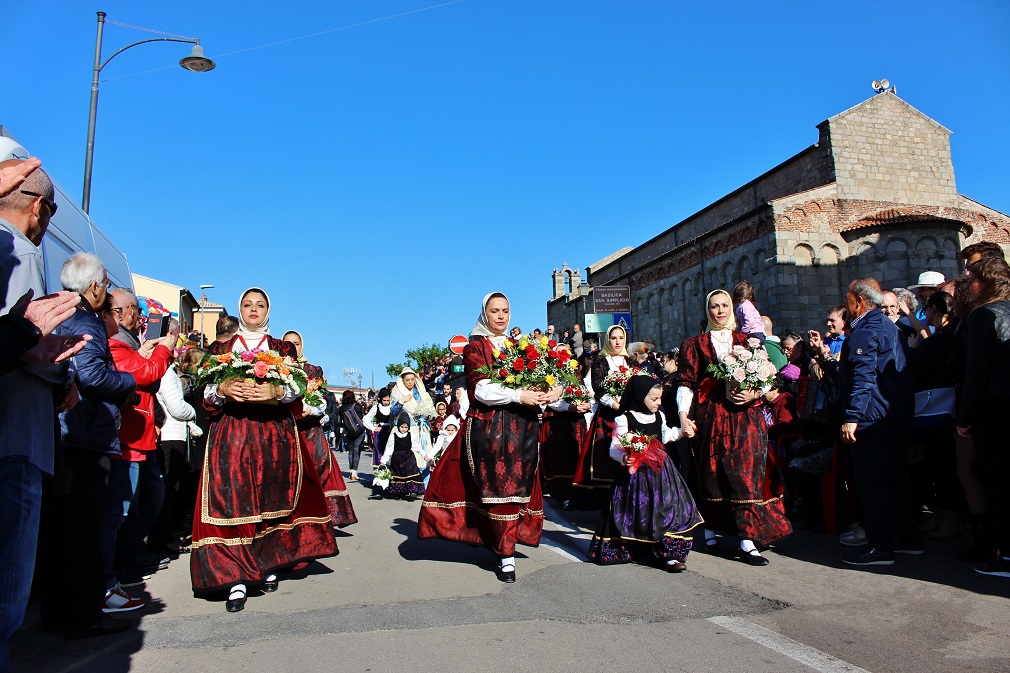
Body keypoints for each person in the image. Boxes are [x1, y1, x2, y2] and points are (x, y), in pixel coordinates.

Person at [191, 289, 337, 612]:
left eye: (260, 305)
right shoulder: (222, 349)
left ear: (268, 310)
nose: (253, 310)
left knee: (268, 501)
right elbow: (206, 392)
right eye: (247, 304)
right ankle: (235, 577)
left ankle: (265, 563)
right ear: (239, 309)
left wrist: (275, 389)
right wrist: (224, 387)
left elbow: (297, 389)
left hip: (273, 436)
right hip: (232, 434)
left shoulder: (280, 349)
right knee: (231, 500)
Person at [0, 165, 86, 658]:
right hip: (16, 440)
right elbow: (32, 343)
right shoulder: (17, 250)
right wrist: (62, 377)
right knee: (7, 597)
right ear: (38, 207)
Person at [419, 292, 559, 582]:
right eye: (495, 311)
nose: (501, 316)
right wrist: (519, 394)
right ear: (485, 314)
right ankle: (505, 554)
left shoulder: (521, 346)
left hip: (524, 427)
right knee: (498, 490)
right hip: (492, 428)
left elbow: (543, 380)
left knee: (518, 489)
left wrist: (552, 391)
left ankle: (504, 543)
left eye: (505, 310)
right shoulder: (475, 348)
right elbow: (481, 390)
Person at [44, 255, 137, 638]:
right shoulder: (85, 321)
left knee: (64, 530)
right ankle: (83, 615)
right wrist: (128, 381)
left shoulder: (56, 311)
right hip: (84, 437)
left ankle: (60, 610)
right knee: (84, 529)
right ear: (96, 287)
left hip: (68, 434)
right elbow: (93, 376)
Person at [676, 290, 792, 566]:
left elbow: (768, 377)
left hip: (746, 418)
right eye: (714, 307)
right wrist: (683, 416)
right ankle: (712, 528)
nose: (720, 311)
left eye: (724, 305)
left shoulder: (747, 342)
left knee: (746, 474)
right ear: (708, 311)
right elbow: (687, 383)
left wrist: (755, 394)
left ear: (732, 308)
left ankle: (747, 539)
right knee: (713, 474)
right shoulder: (695, 344)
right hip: (712, 418)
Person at [838, 279, 918, 567]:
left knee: (873, 483)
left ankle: (881, 546)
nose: (846, 307)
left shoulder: (867, 329)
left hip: (872, 418)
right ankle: (907, 539)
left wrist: (852, 417)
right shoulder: (889, 326)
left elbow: (865, 377)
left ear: (859, 300)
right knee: (897, 480)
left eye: (847, 300)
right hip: (894, 415)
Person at [587, 375, 702, 570]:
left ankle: (668, 553)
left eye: (660, 399)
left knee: (666, 508)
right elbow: (615, 446)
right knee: (635, 510)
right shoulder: (624, 419)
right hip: (635, 475)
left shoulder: (660, 416)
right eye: (654, 399)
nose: (659, 403)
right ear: (640, 397)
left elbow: (666, 435)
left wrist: (683, 432)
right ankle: (636, 547)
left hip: (661, 472)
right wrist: (624, 457)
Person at [107, 289, 174, 588]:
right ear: (119, 313)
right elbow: (144, 374)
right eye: (134, 308)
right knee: (122, 508)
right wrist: (163, 350)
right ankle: (116, 569)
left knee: (148, 497)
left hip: (141, 434)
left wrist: (148, 351)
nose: (139, 314)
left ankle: (130, 556)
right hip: (128, 436)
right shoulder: (115, 343)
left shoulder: (131, 343)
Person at [956, 259, 1010, 577]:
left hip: (995, 406)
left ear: (985, 282)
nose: (967, 283)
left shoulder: (984, 315)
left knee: (998, 481)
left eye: (971, 278)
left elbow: (976, 370)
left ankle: (1005, 556)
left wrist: (964, 417)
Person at [283, 331, 357, 528]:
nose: (292, 347)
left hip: (310, 431)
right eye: (287, 343)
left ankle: (319, 518)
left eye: (296, 344)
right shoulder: (276, 368)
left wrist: (311, 409)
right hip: (285, 430)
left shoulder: (312, 370)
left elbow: (321, 401)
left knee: (318, 472)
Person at [570, 325, 631, 510]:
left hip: (629, 416)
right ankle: (607, 502)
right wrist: (613, 403)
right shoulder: (601, 363)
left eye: (621, 337)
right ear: (607, 340)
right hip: (608, 416)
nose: (618, 341)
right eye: (613, 338)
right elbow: (598, 388)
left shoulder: (632, 363)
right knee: (606, 457)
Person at [379, 411, 426, 498]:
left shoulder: (411, 435)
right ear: (398, 426)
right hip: (397, 459)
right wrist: (383, 461)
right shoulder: (393, 436)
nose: (404, 429)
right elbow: (389, 449)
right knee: (398, 475)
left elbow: (417, 447)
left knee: (412, 474)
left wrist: (424, 455)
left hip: (409, 459)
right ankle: (399, 491)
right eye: (402, 427)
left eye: (406, 427)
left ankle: (413, 491)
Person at [335, 389, 367, 483]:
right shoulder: (357, 406)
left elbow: (338, 422)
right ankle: (354, 471)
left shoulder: (341, 409)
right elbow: (362, 418)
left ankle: (350, 470)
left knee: (351, 451)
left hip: (348, 431)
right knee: (357, 450)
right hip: (360, 431)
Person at [363, 388, 394, 473]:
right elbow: (365, 419)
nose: (386, 402)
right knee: (379, 453)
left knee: (390, 452)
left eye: (388, 400)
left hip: (390, 432)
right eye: (384, 400)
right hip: (380, 433)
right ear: (380, 399)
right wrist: (373, 428)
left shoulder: (392, 408)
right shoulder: (376, 408)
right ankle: (380, 475)